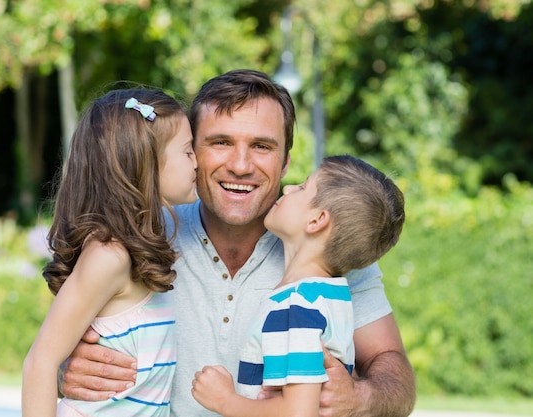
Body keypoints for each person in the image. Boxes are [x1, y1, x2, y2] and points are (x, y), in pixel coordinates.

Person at [60, 69, 416, 417]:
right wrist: (72, 369)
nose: (241, 165)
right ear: (191, 152)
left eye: (262, 146)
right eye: (221, 143)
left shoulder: (334, 252)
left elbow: (392, 369)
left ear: (286, 160)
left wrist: (360, 398)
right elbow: (62, 347)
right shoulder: (141, 236)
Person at [21, 88, 198, 417]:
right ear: (148, 163)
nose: (197, 163)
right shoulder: (109, 256)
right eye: (188, 151)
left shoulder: (147, 248)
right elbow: (40, 362)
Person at [191, 154, 406, 417]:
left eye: (302, 188)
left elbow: (298, 412)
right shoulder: (329, 297)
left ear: (316, 220)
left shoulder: (296, 307)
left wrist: (224, 400)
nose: (288, 188)